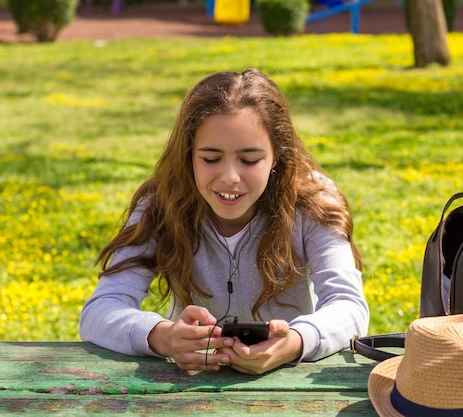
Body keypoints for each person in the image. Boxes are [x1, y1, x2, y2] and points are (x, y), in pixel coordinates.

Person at [79, 68, 369, 375]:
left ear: (277, 157)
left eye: (249, 160)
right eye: (211, 158)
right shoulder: (160, 205)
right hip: (187, 391)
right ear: (188, 155)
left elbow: (349, 307)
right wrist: (162, 336)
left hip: (290, 385)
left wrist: (295, 342)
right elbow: (99, 311)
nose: (230, 177)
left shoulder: (314, 200)